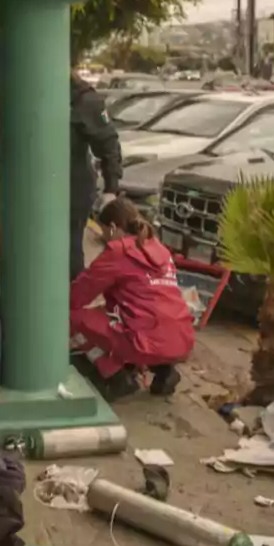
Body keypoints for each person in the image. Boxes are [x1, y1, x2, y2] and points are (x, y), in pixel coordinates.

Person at [69, 198, 194, 401]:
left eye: (103, 231)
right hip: (181, 338)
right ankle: (165, 371)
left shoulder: (118, 252)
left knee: (73, 316)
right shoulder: (160, 249)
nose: (103, 237)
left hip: (142, 342)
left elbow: (77, 297)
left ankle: (117, 376)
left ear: (112, 227)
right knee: (144, 322)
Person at [70, 71, 123, 280]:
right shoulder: (27, 85)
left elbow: (109, 144)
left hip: (73, 190)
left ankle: (70, 300)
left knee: (68, 250)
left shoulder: (85, 100)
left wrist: (111, 188)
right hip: (37, 187)